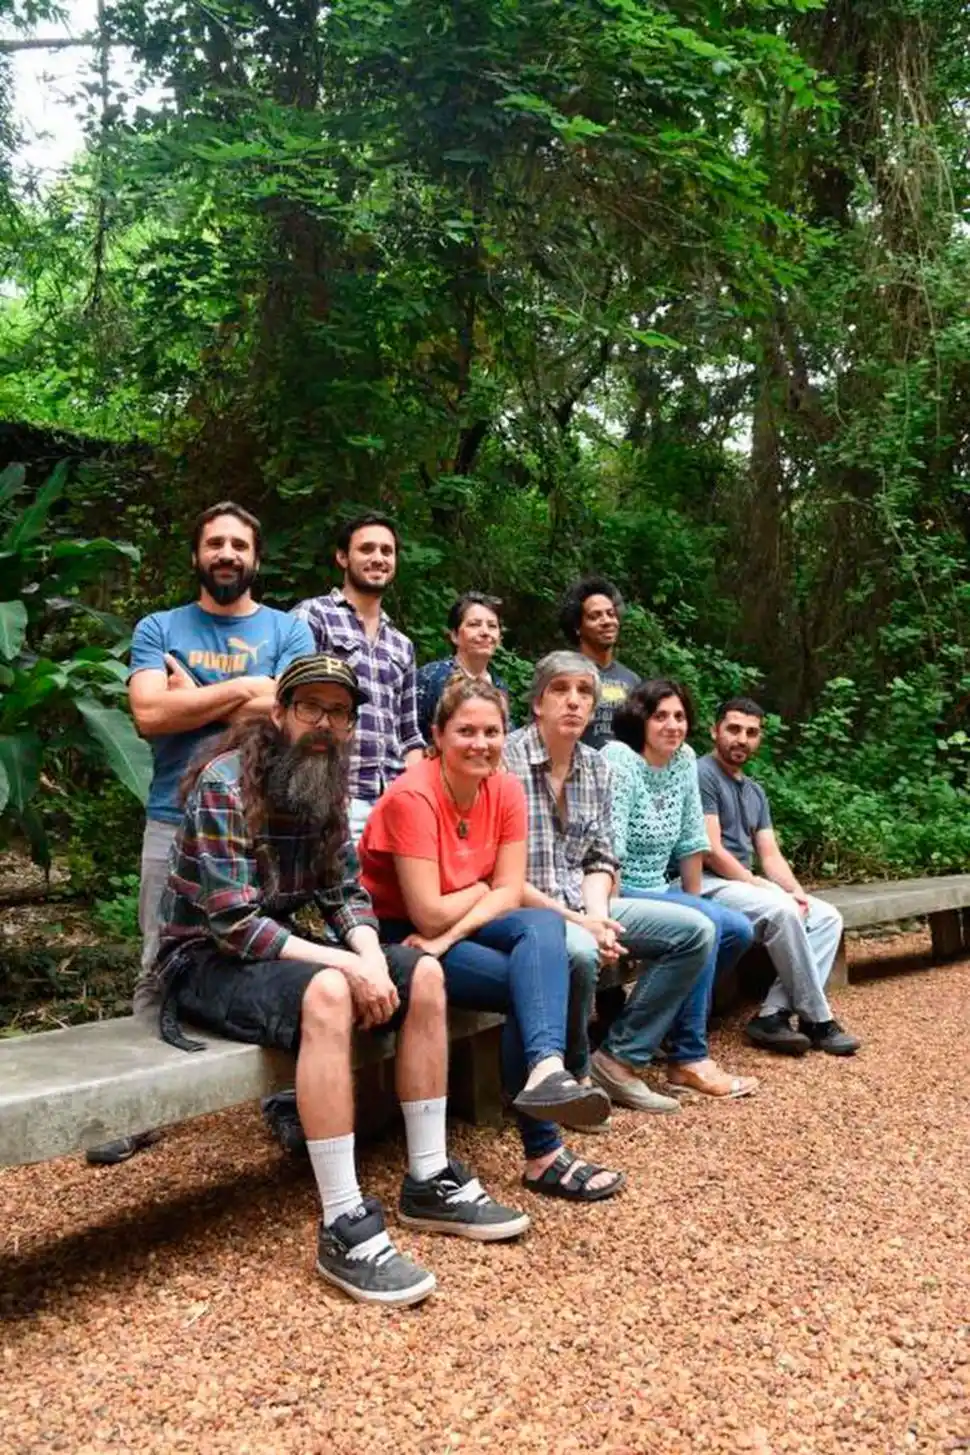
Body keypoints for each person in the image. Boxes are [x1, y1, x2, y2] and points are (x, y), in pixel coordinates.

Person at [134, 655, 529, 1305]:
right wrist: (347, 967)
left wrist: (370, 954)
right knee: (328, 990)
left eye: (339, 712)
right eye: (311, 707)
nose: (324, 722)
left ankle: (427, 1176)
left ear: (350, 725)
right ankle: (343, 1221)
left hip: (275, 951)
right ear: (282, 712)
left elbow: (344, 892)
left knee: (424, 971)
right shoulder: (225, 784)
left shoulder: (325, 782)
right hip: (203, 959)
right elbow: (234, 924)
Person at [90, 502, 313, 1167]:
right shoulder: (158, 626)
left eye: (238, 543)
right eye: (213, 541)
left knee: (271, 952)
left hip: (263, 824)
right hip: (171, 816)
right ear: (197, 555)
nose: (225, 552)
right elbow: (150, 714)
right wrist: (246, 687)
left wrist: (198, 693)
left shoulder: (287, 629)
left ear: (255, 558)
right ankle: (139, 1107)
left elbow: (289, 719)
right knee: (159, 957)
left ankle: (283, 1097)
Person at [359, 678, 625, 1203]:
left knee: (547, 927)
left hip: (457, 928)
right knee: (533, 986)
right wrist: (477, 895)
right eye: (466, 731)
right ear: (437, 735)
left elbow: (507, 894)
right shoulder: (412, 796)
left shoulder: (504, 789)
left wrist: (460, 921)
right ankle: (544, 1153)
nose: (481, 743)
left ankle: (546, 1069)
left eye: (492, 731)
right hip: (396, 938)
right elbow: (427, 913)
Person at [504, 652, 715, 1115]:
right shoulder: (504, 760)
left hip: (585, 903)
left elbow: (601, 857)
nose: (575, 702)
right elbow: (503, 874)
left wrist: (597, 915)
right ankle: (574, 1079)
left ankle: (617, 1060)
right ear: (538, 703)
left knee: (696, 931)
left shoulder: (597, 767)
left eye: (585, 693)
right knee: (579, 951)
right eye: (561, 690)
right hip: (523, 909)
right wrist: (583, 923)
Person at [601, 681, 758, 1099]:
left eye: (680, 717)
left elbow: (691, 839)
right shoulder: (619, 758)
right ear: (640, 719)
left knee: (736, 929)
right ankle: (688, 1056)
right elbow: (608, 847)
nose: (673, 726)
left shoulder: (684, 759)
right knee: (701, 924)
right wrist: (610, 914)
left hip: (660, 886)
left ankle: (666, 1023)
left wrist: (693, 899)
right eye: (661, 717)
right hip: (618, 889)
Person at [698, 697, 861, 1056]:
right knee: (781, 910)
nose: (742, 739)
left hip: (740, 883)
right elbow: (711, 850)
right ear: (715, 731)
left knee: (825, 917)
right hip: (704, 883)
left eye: (752, 733)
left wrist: (798, 893)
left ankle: (772, 1015)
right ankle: (818, 1020)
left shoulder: (754, 791)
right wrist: (760, 885)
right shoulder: (702, 774)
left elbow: (770, 855)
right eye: (734, 729)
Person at [292, 513, 424, 845]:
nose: (378, 558)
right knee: (332, 895)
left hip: (393, 802)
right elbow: (294, 713)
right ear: (342, 557)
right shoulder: (314, 616)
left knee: (389, 898)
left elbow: (409, 735)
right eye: (367, 549)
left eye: (387, 551)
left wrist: (411, 794)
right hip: (333, 796)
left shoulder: (402, 644)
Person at [415, 592, 512, 742]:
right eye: (474, 624)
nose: (485, 632)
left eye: (492, 626)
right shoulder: (431, 678)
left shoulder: (499, 686)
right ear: (454, 635)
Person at [559, 576, 640, 749]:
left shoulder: (632, 680)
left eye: (611, 614)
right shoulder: (563, 673)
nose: (606, 621)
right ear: (577, 627)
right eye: (595, 616)